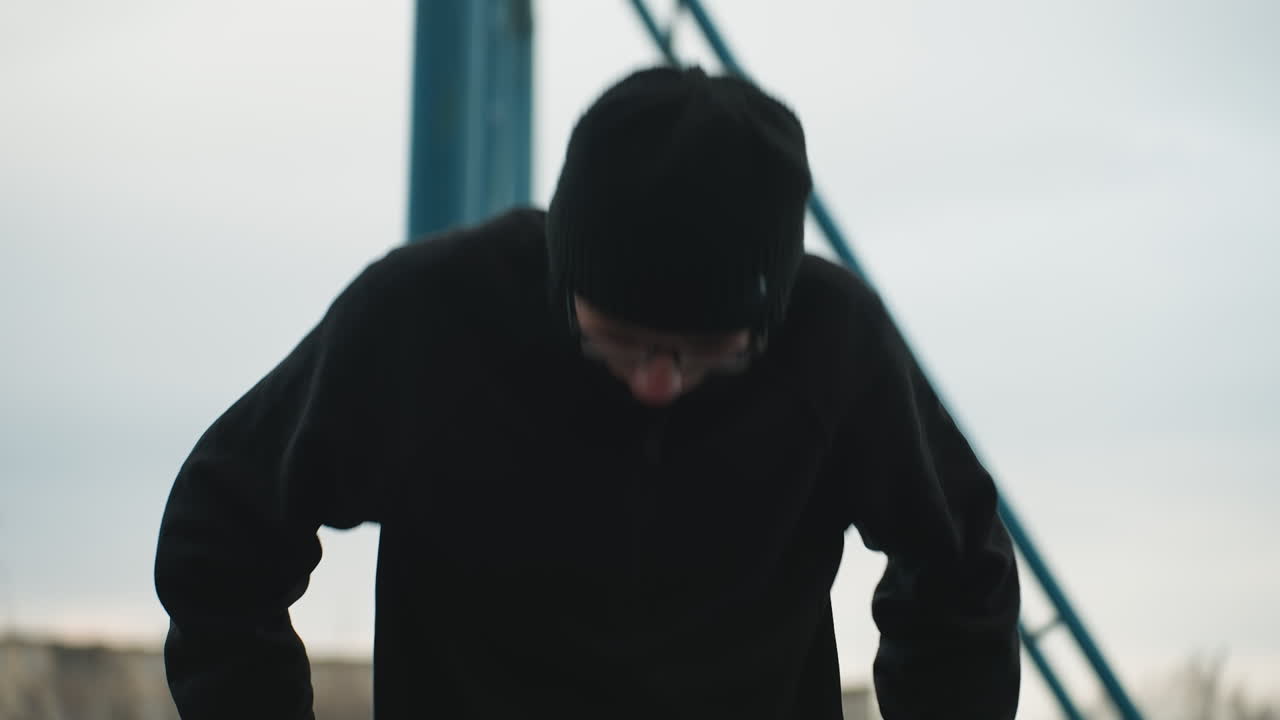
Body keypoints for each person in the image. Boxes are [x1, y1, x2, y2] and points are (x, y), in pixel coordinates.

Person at [154, 65, 1020, 719]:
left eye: (707, 352)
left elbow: (960, 569)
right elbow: (223, 529)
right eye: (620, 339)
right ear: (565, 279)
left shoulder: (834, 344)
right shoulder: (427, 320)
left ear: (769, 319)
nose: (656, 383)